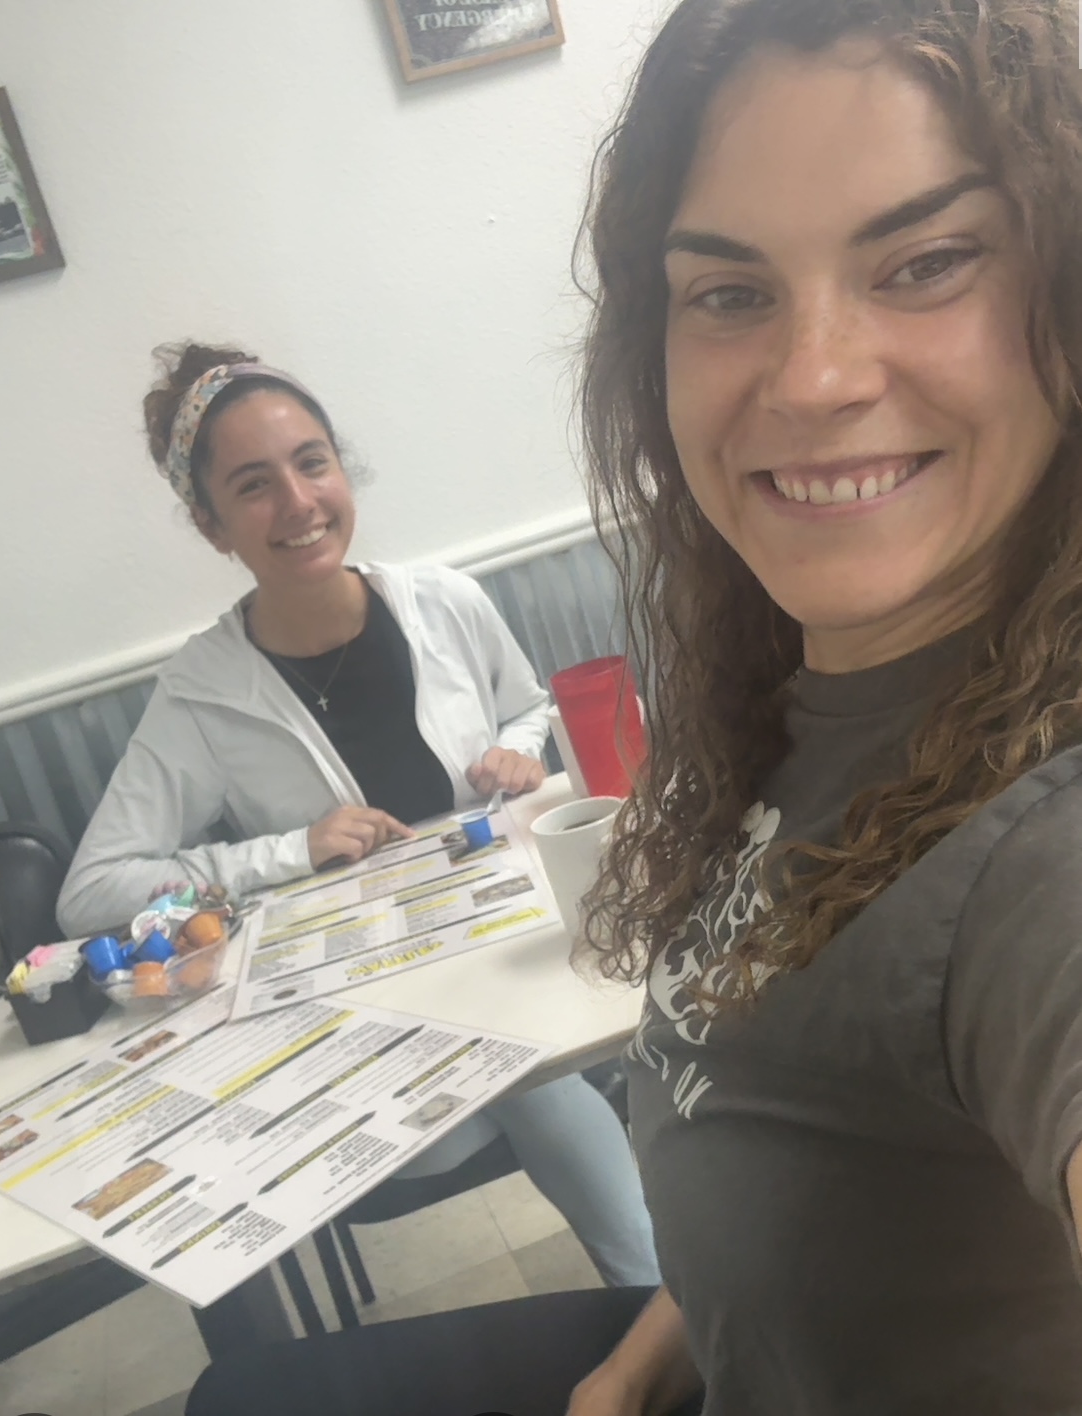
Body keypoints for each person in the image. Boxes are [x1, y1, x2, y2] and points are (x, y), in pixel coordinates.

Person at [181, 0, 1082, 1413]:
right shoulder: (799, 698)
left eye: (924, 263)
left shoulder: (1040, 848)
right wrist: (627, 1373)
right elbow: (787, 1141)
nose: (814, 377)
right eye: (727, 293)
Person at [56, 342, 660, 1293]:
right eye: (253, 486)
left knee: (544, 1059)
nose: (298, 503)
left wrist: (518, 750)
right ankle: (667, 1305)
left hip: (518, 954)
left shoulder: (445, 602)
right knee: (530, 1073)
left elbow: (527, 708)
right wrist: (287, 850)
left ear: (342, 469)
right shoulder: (203, 692)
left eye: (312, 463)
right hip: (376, 1024)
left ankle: (664, 1305)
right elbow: (91, 893)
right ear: (212, 525)